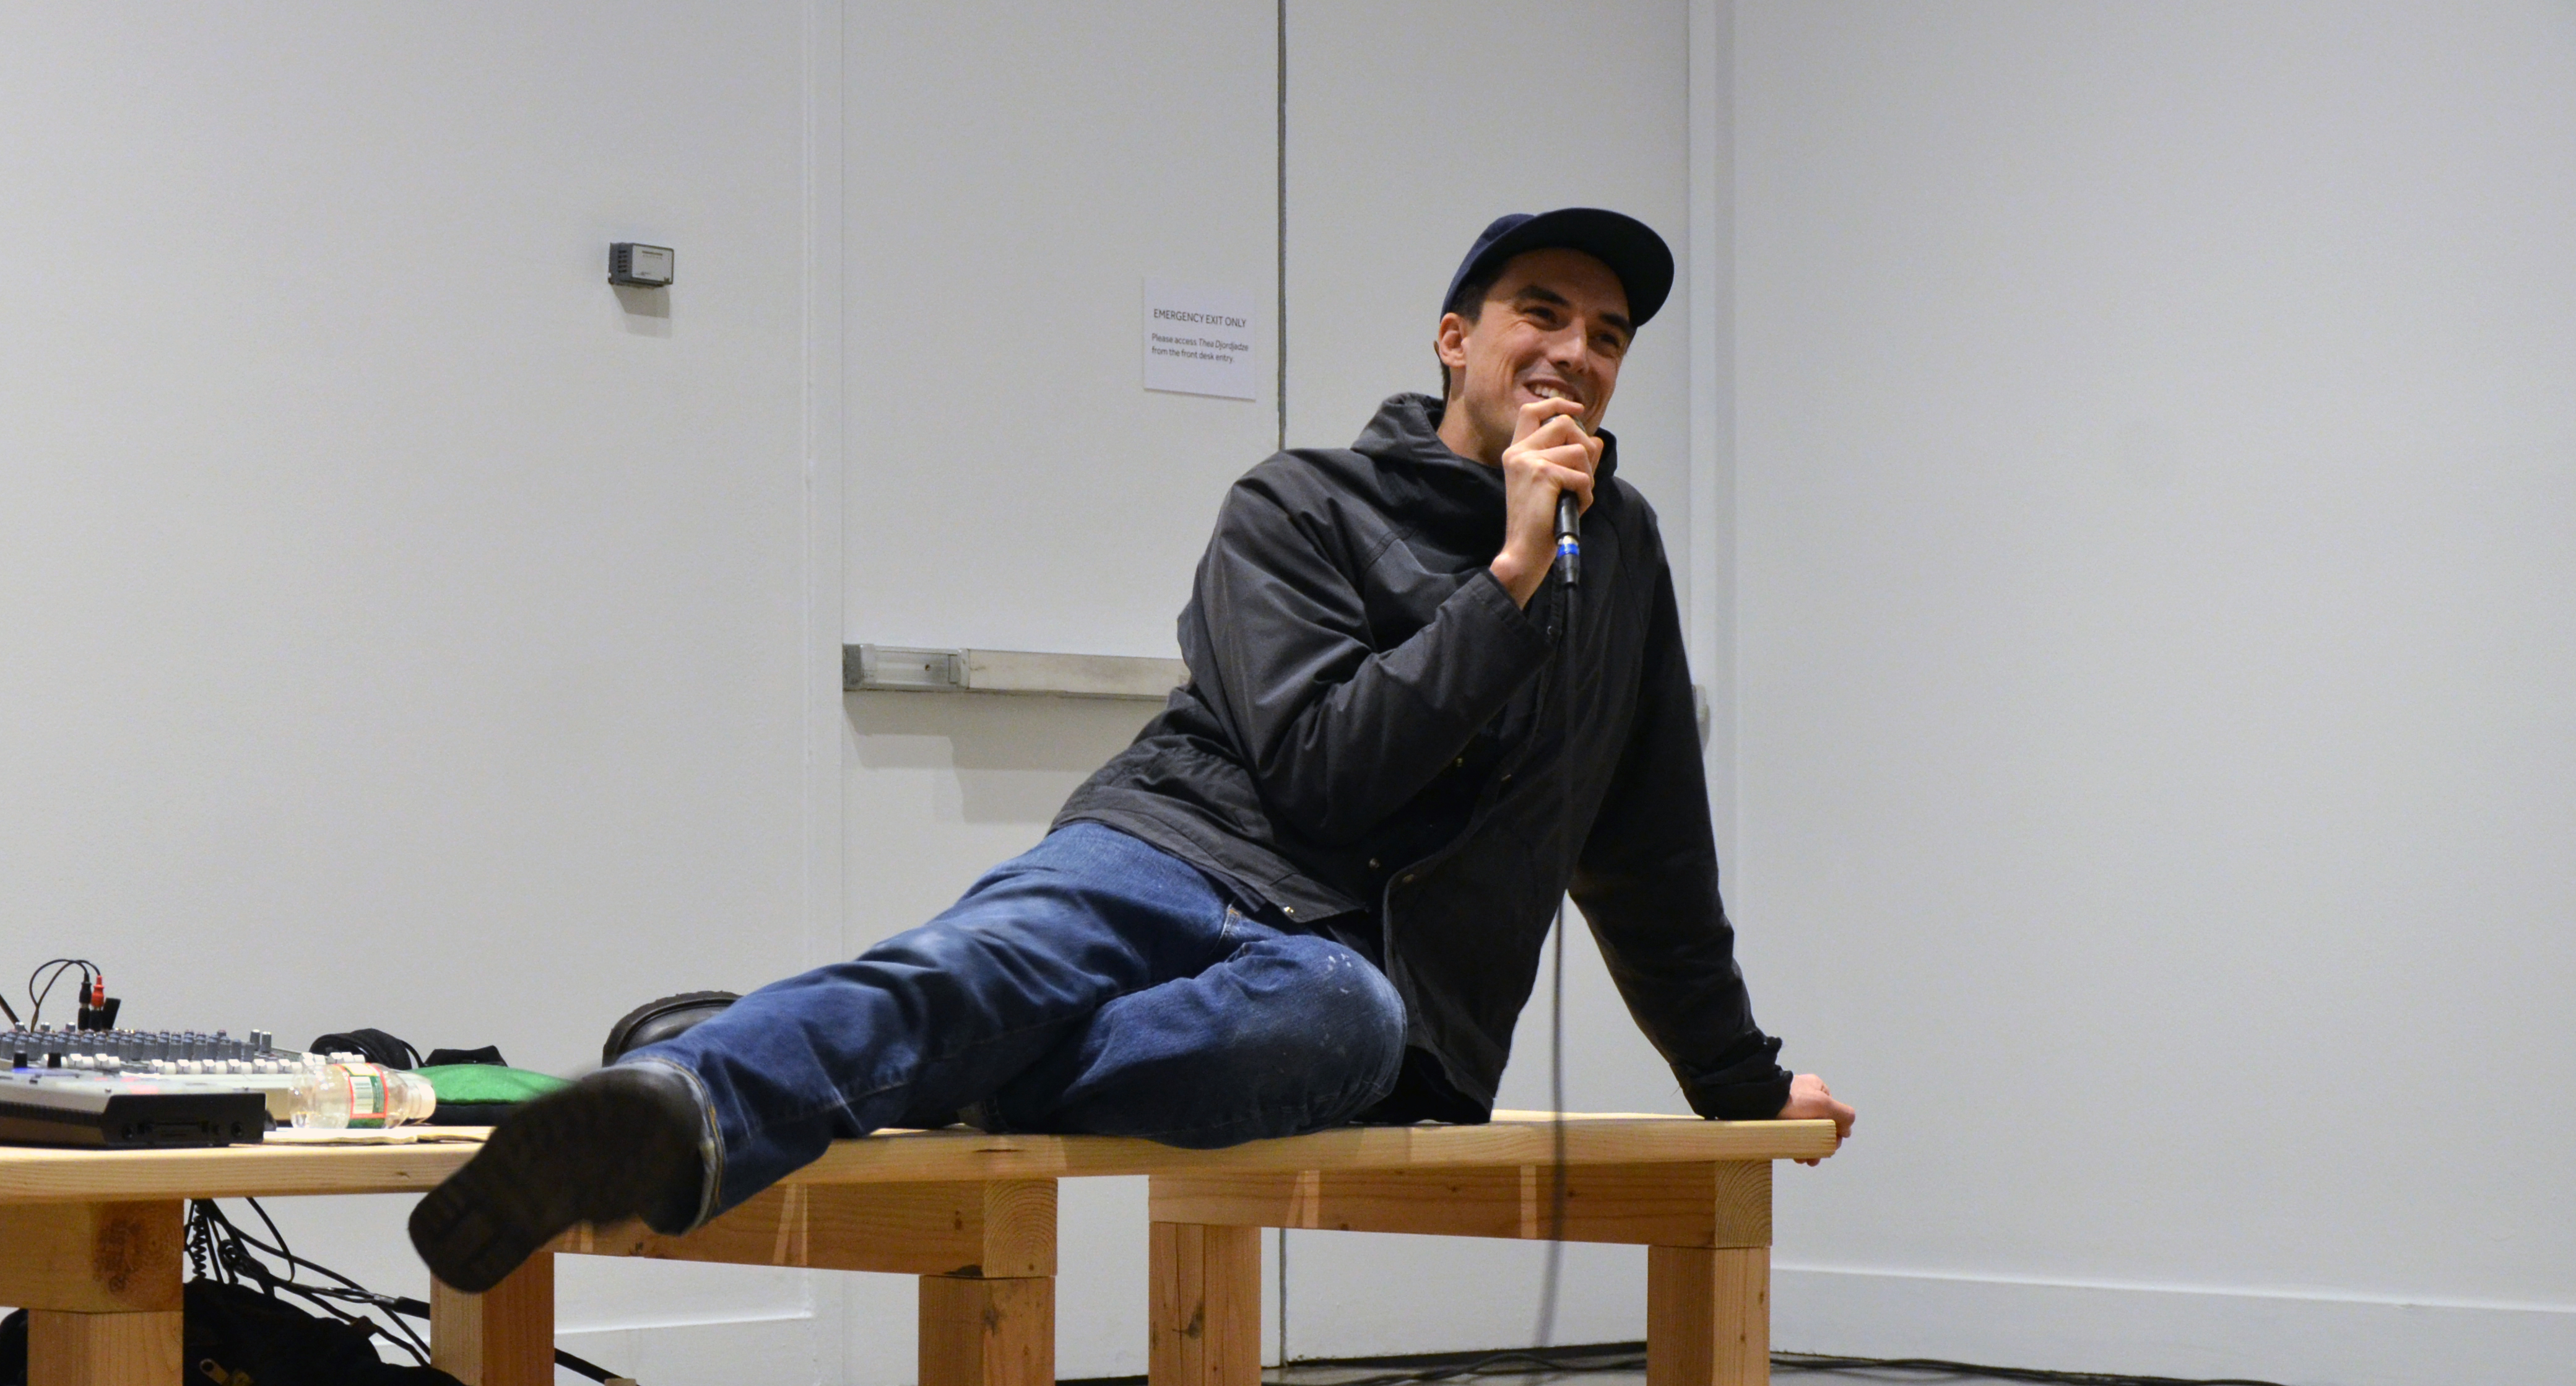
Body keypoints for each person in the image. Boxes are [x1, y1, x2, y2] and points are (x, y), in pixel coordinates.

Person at [411, 207, 1852, 1296]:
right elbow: (1322, 773)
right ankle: (675, 1108)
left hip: (1355, 976)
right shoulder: (1299, 504)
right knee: (988, 969)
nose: (1577, 355)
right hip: (1176, 851)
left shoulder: (1624, 558)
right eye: (1542, 313)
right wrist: (1509, 582)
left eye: (1608, 337)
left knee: (1339, 1031)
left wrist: (1735, 1084)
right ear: (1452, 338)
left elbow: (1650, 847)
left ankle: (834, 1050)